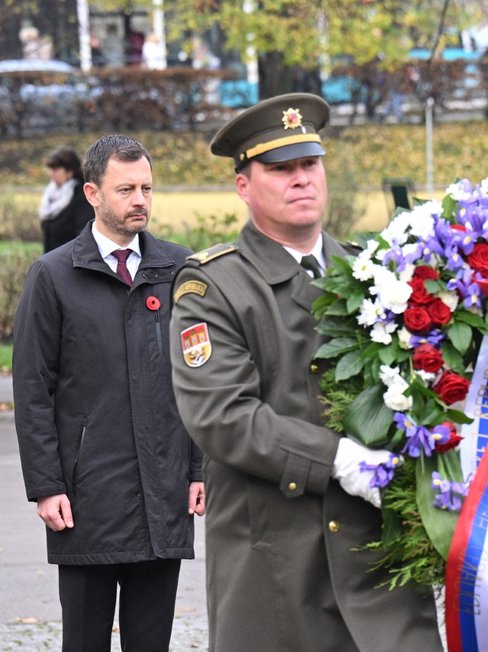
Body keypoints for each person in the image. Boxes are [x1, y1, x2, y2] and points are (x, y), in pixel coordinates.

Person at [168, 93, 443, 651]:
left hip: (379, 564)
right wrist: (337, 459)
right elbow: (222, 416)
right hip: (277, 571)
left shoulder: (374, 272)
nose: (300, 180)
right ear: (244, 185)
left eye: (309, 165)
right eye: (280, 169)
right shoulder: (212, 287)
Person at [13, 134, 205, 651]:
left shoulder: (180, 269)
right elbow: (32, 389)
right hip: (84, 499)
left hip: (163, 495)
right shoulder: (53, 276)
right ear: (93, 193)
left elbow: (201, 376)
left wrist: (198, 469)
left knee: (151, 642)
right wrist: (46, 485)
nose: (140, 199)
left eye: (147, 187)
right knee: (84, 642)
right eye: (126, 190)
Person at [38, 147, 94, 252]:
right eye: (51, 169)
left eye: (56, 169)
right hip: (52, 259)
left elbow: (83, 233)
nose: (51, 173)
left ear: (70, 171)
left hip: (71, 259)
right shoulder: (51, 194)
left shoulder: (82, 195)